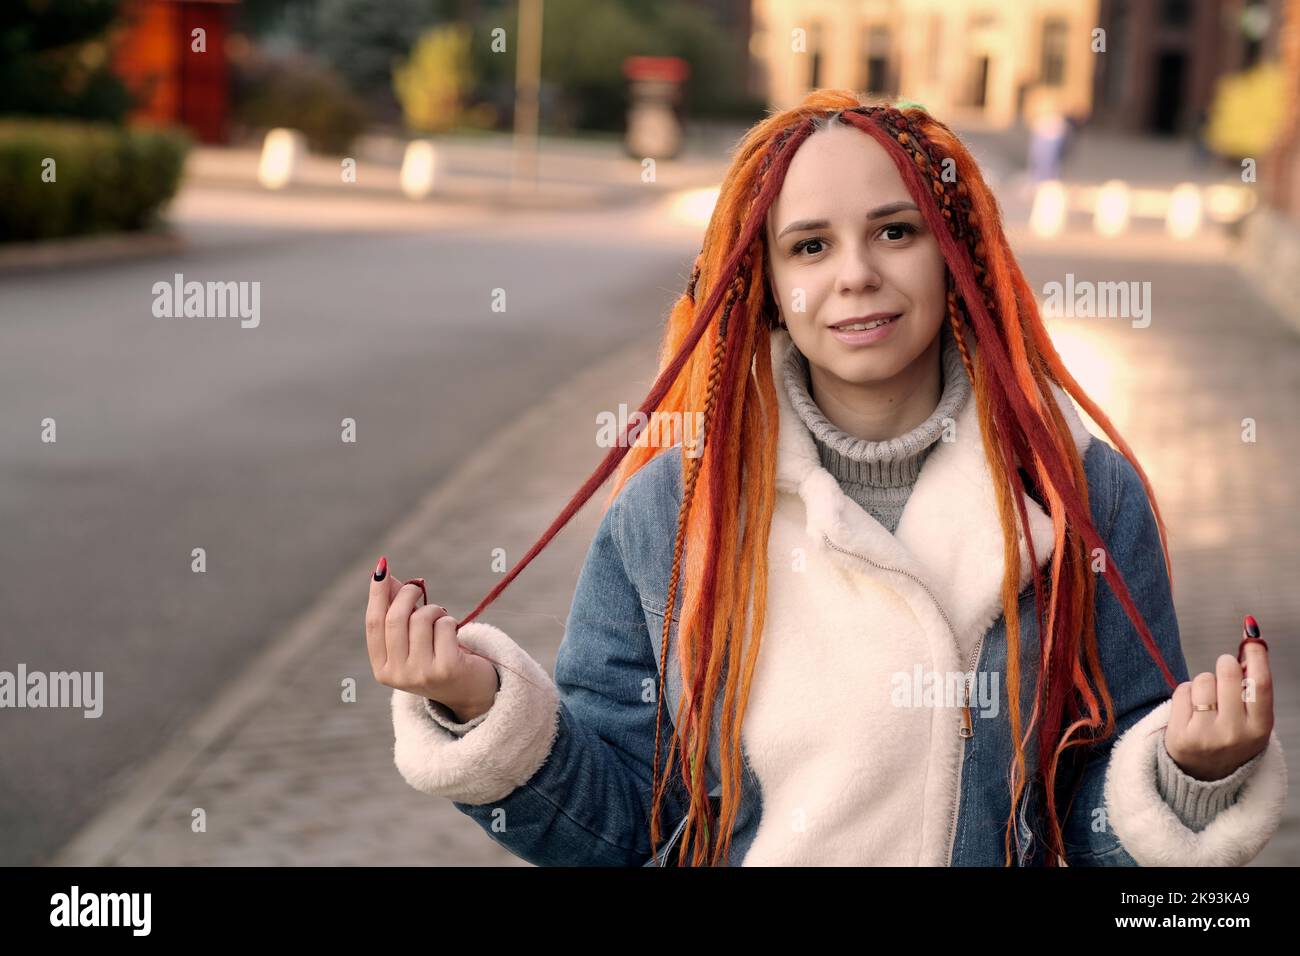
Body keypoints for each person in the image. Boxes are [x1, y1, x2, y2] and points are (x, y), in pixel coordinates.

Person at [365, 90, 1286, 867]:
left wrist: (1188, 775)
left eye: (895, 231)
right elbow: (616, 825)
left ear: (956, 251)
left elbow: (1095, 824)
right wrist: (475, 707)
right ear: (761, 278)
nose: (856, 275)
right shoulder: (671, 513)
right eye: (809, 246)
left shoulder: (1081, 495)